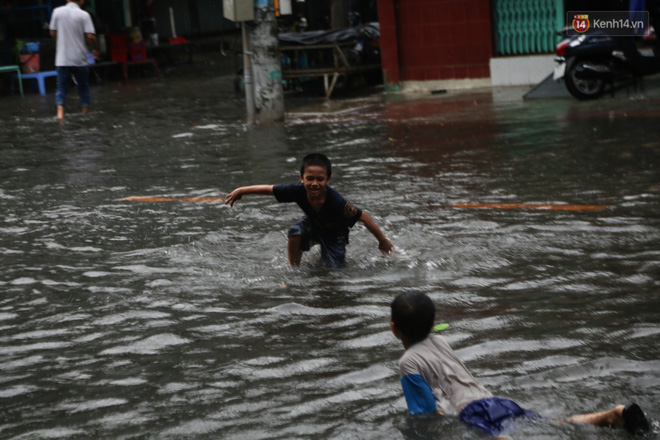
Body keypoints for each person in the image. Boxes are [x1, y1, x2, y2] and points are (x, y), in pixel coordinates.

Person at [390, 291, 651, 436]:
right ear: (433, 324)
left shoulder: (408, 362)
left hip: (471, 414)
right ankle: (612, 415)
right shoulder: (440, 340)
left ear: (393, 328)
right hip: (497, 403)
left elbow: (423, 414)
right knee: (555, 424)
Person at [225, 153, 394, 268]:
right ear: (301, 178)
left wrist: (382, 240)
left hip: (335, 233)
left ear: (328, 180)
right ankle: (293, 268)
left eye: (320, 179)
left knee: (333, 271)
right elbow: (269, 189)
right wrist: (242, 190)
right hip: (313, 223)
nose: (314, 183)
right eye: (310, 178)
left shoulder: (336, 201)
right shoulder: (297, 190)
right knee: (295, 230)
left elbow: (364, 217)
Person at [49, 0, 99, 120]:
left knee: (61, 87)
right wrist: (96, 49)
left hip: (63, 58)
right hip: (79, 58)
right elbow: (91, 36)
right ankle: (85, 112)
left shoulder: (57, 12)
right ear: (81, 1)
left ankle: (60, 114)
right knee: (83, 87)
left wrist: (60, 41)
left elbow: (52, 32)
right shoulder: (84, 15)